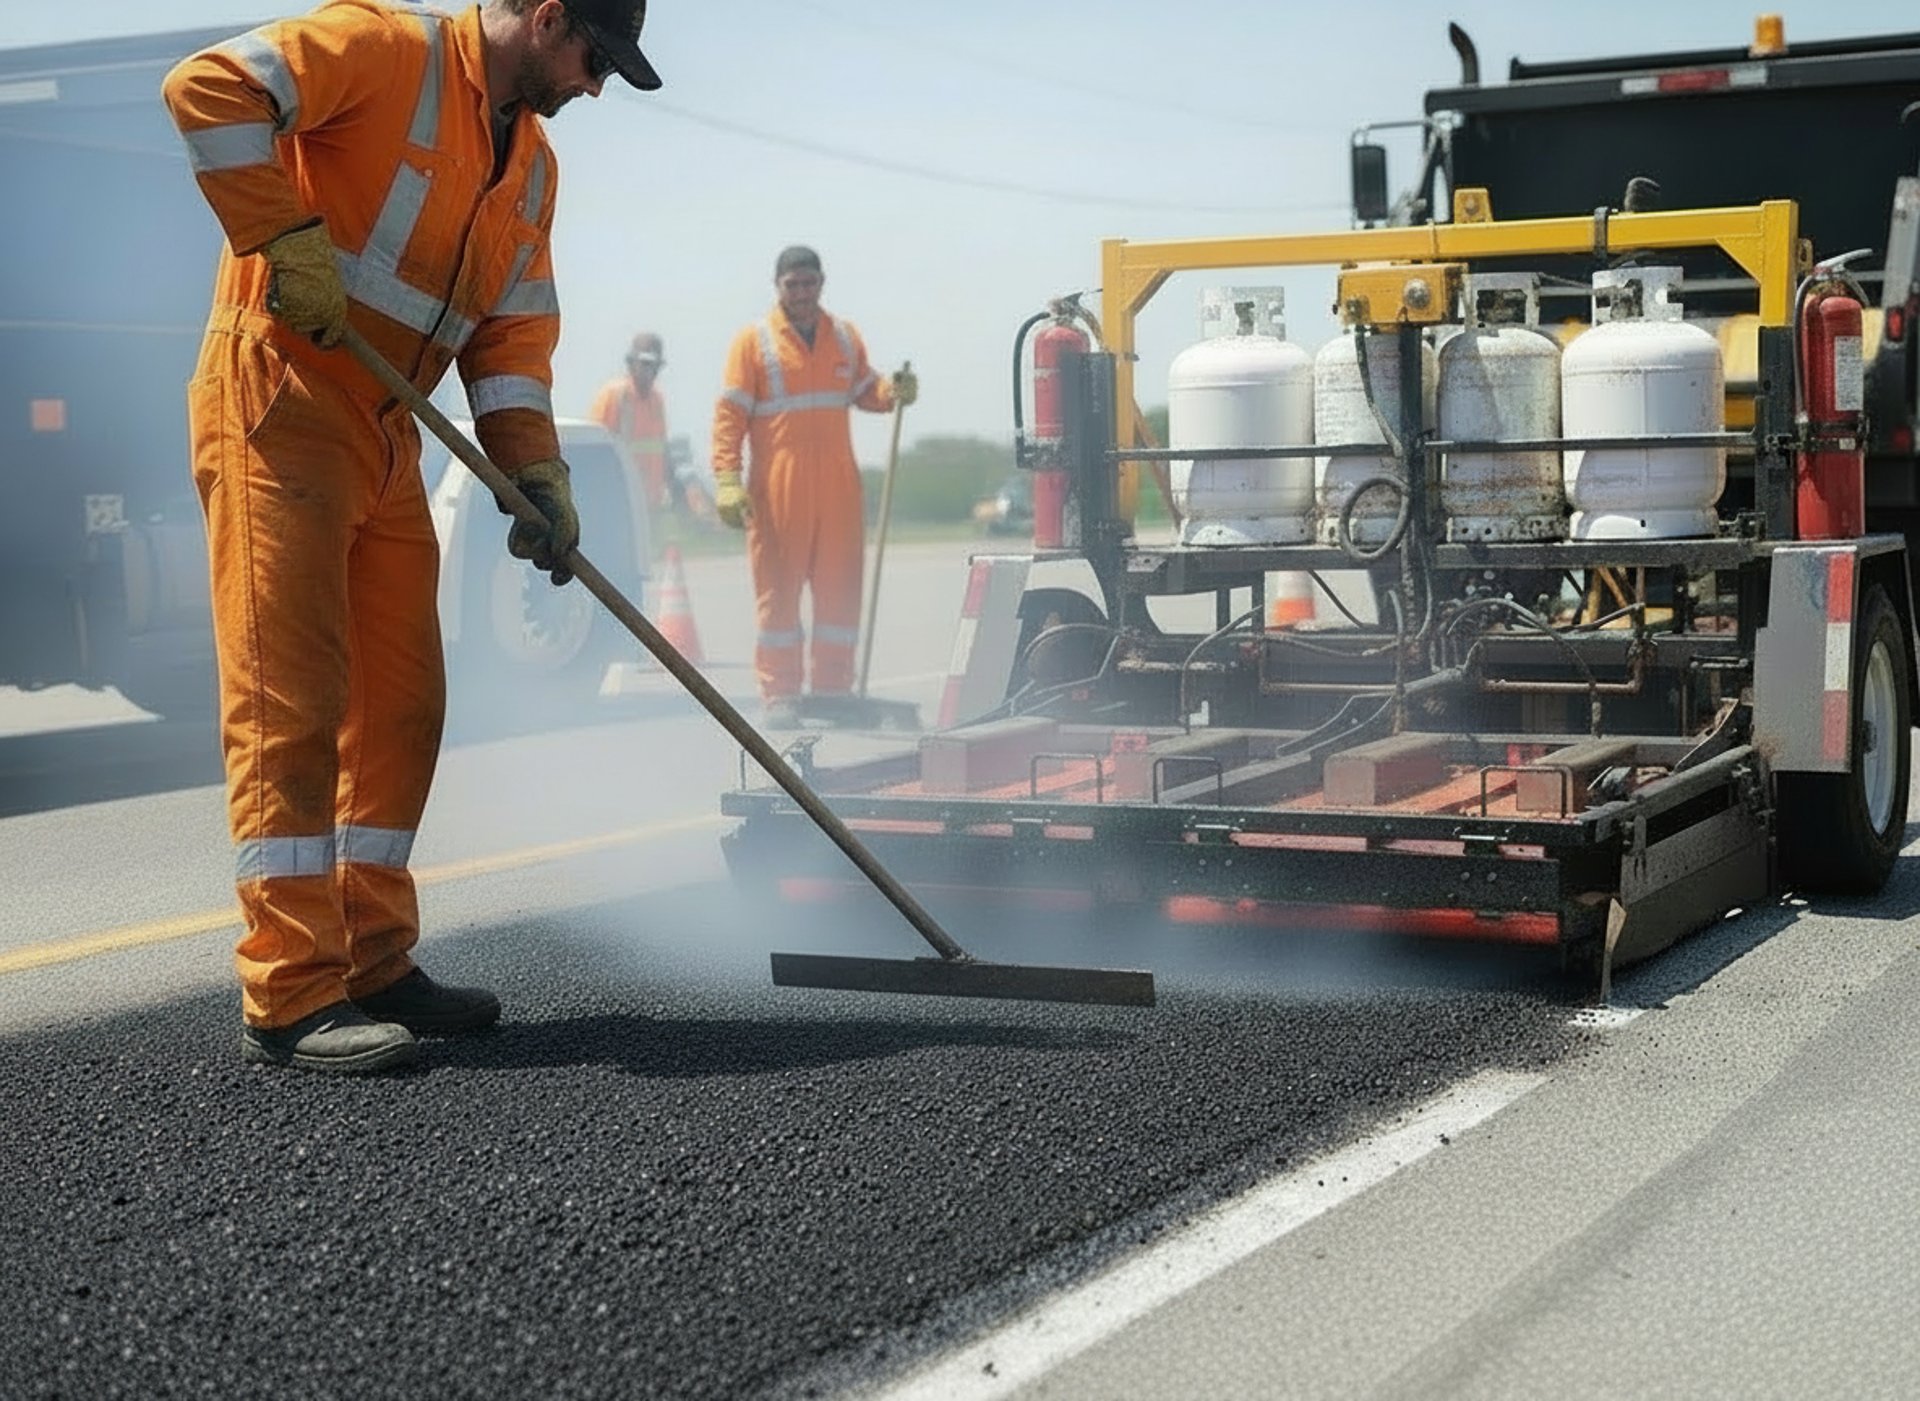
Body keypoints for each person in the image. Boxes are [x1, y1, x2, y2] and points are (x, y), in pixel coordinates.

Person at [161, 0, 662, 1074]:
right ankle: (292, 990)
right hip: (280, 406)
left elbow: (514, 327)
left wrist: (532, 465)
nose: (597, 86)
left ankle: (373, 957)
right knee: (291, 702)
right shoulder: (383, 49)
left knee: (402, 704)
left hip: (388, 433)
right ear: (544, 16)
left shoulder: (530, 166)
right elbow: (205, 87)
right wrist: (277, 232)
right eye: (593, 58)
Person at [709, 246, 917, 725]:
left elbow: (865, 389)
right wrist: (726, 479)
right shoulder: (753, 343)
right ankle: (780, 694)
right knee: (778, 595)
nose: (802, 293)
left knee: (839, 593)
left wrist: (892, 391)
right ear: (777, 287)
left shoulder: (843, 337)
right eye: (792, 285)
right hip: (778, 486)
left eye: (809, 283)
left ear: (822, 282)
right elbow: (730, 416)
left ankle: (832, 692)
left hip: (839, 486)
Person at [590, 331, 672, 511]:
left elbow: (661, 451)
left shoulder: (657, 400)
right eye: (644, 364)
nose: (649, 371)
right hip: (618, 503)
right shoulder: (615, 396)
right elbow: (596, 452)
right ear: (631, 363)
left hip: (649, 504)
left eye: (654, 365)